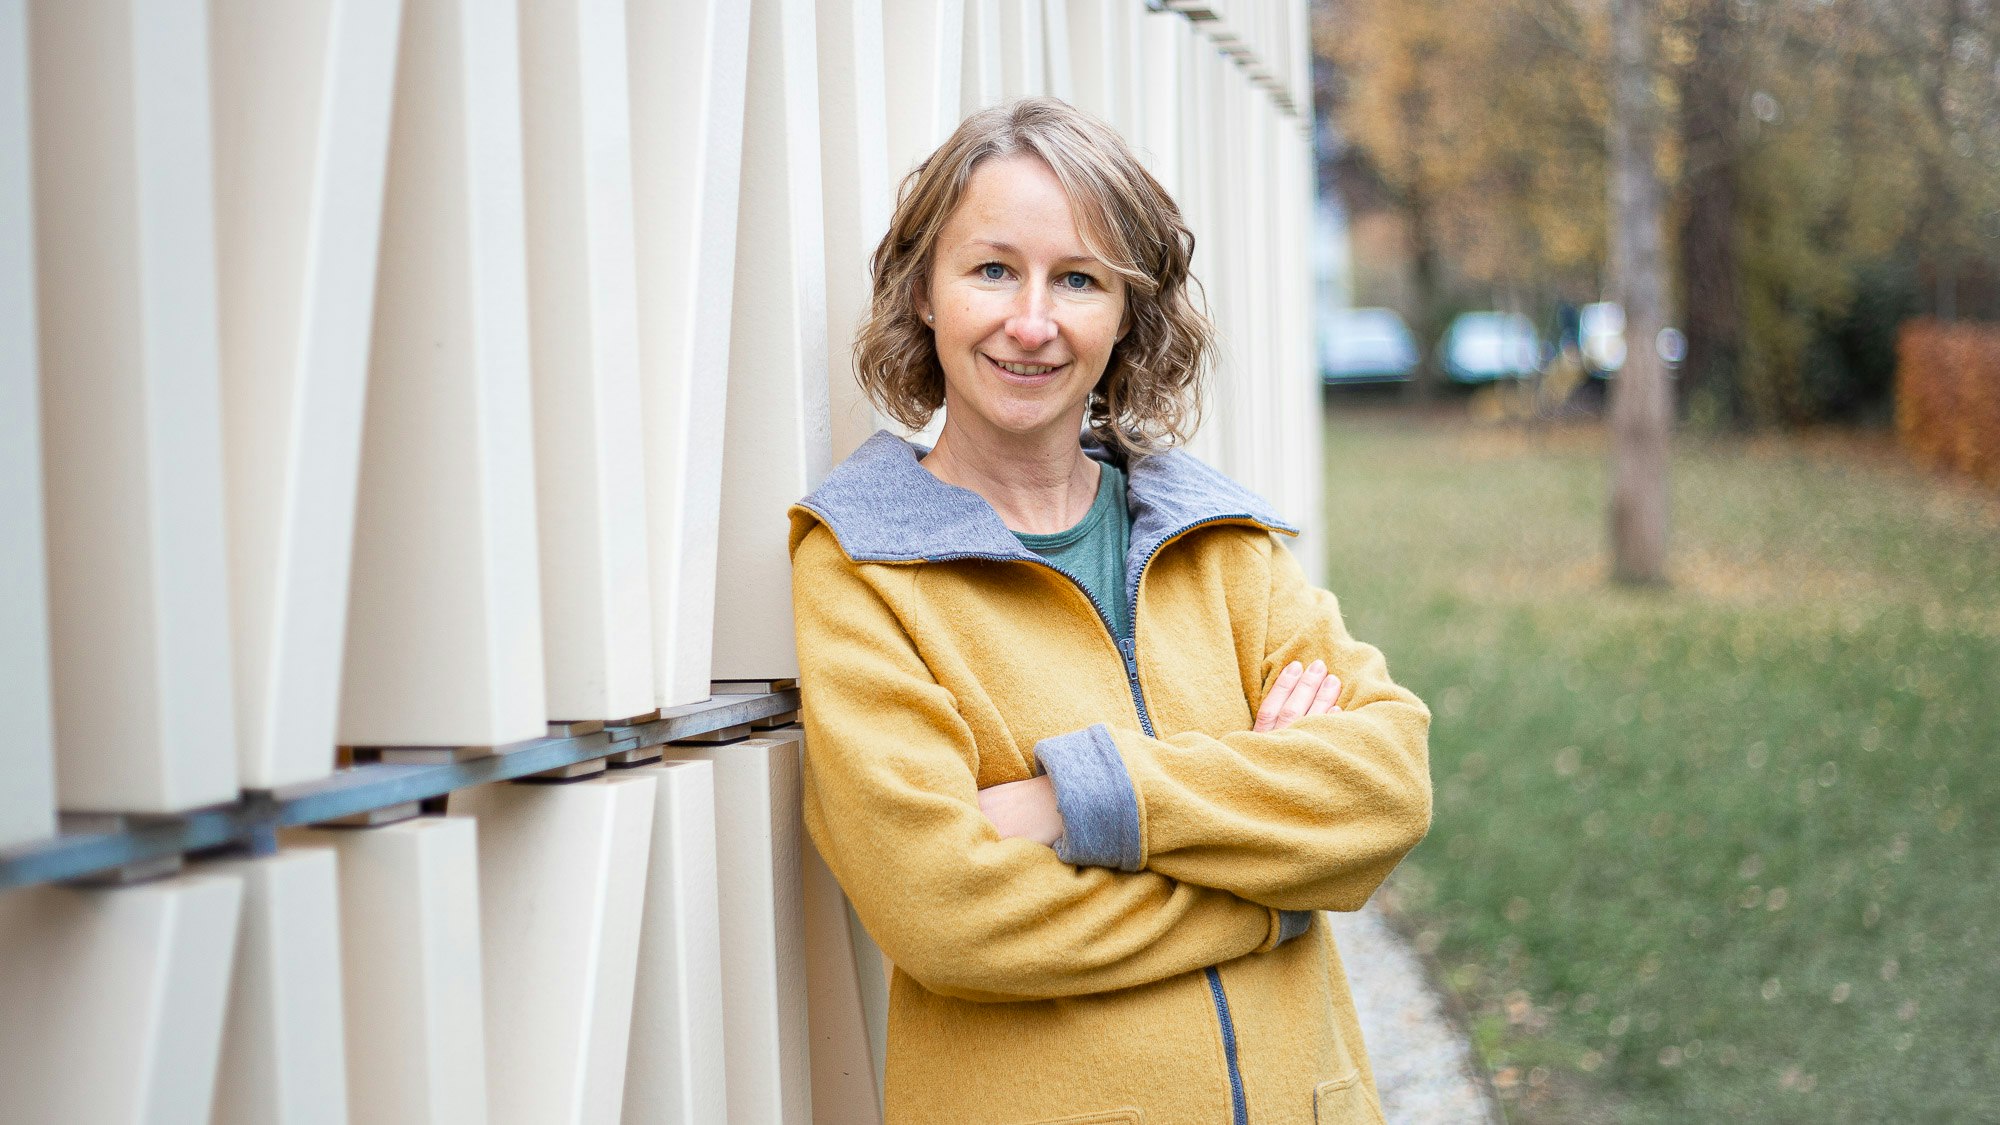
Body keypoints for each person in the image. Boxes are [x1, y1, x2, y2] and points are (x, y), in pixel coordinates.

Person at [788, 97, 1432, 1125]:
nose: (1032, 321)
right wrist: (1275, 890)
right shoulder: (864, 566)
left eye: (1078, 279)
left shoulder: (1216, 538)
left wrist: (1081, 799)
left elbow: (1385, 789)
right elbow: (946, 913)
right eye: (992, 269)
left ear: (1127, 314)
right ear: (922, 292)